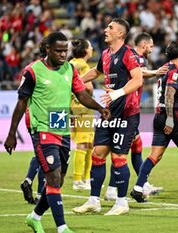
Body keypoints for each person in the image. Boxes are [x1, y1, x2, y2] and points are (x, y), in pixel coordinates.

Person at [4, 32, 110, 233]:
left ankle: (34, 217)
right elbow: (21, 103)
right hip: (42, 129)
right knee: (52, 178)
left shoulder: (70, 69)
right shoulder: (33, 71)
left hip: (62, 130)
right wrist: (11, 133)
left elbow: (80, 95)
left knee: (58, 180)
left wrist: (99, 107)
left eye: (65, 51)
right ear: (47, 49)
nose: (63, 55)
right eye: (59, 51)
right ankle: (62, 228)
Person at [73, 18, 143, 216]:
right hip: (108, 112)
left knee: (119, 157)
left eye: (110, 28)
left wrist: (117, 93)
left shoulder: (129, 54)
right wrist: (75, 81)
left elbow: (137, 80)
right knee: (97, 154)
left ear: (120, 33)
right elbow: (96, 72)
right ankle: (94, 200)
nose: (105, 30)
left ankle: (121, 203)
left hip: (127, 113)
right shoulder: (105, 54)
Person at [130, 41, 178, 205]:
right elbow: (170, 94)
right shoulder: (175, 72)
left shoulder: (167, 68)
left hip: (158, 115)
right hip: (172, 115)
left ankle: (138, 188)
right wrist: (171, 119)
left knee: (154, 156)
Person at [104, 32, 167, 200]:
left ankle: (126, 186)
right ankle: (124, 187)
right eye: (151, 46)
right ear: (144, 45)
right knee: (121, 150)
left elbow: (140, 71)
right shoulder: (133, 56)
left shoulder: (136, 58)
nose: (152, 49)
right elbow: (139, 73)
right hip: (126, 109)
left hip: (126, 109)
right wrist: (155, 72)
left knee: (132, 146)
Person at [20, 38, 48, 205]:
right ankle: (39, 194)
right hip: (39, 118)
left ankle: (29, 181)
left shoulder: (28, 68)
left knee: (40, 153)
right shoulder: (34, 69)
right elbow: (23, 95)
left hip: (44, 117)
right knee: (46, 155)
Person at [69, 38, 95, 191]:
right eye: (90, 47)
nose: (92, 49)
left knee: (88, 144)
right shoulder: (83, 66)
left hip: (73, 108)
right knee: (84, 144)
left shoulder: (71, 63)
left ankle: (86, 179)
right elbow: (89, 88)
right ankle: (79, 180)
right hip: (82, 108)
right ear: (85, 50)